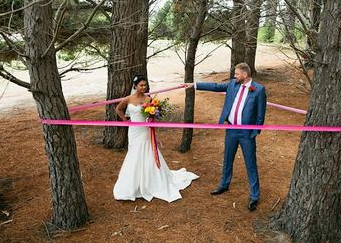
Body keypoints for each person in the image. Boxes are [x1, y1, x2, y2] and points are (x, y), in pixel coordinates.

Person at [183, 63, 266, 211]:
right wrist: (195, 85)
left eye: (237, 74)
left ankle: (254, 196)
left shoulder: (259, 90)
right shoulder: (233, 85)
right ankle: (224, 185)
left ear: (245, 75)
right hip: (231, 130)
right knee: (228, 158)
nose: (234, 76)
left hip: (247, 133)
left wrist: (255, 132)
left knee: (250, 163)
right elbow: (215, 86)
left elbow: (260, 114)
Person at [113, 75, 199, 202]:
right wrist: (126, 121)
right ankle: (134, 183)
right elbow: (118, 109)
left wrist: (153, 128)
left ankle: (150, 181)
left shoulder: (148, 98)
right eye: (141, 85)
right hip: (134, 130)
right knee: (134, 152)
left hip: (145, 130)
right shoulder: (128, 99)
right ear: (135, 86)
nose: (143, 87)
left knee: (147, 151)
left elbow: (151, 116)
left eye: (145, 85)